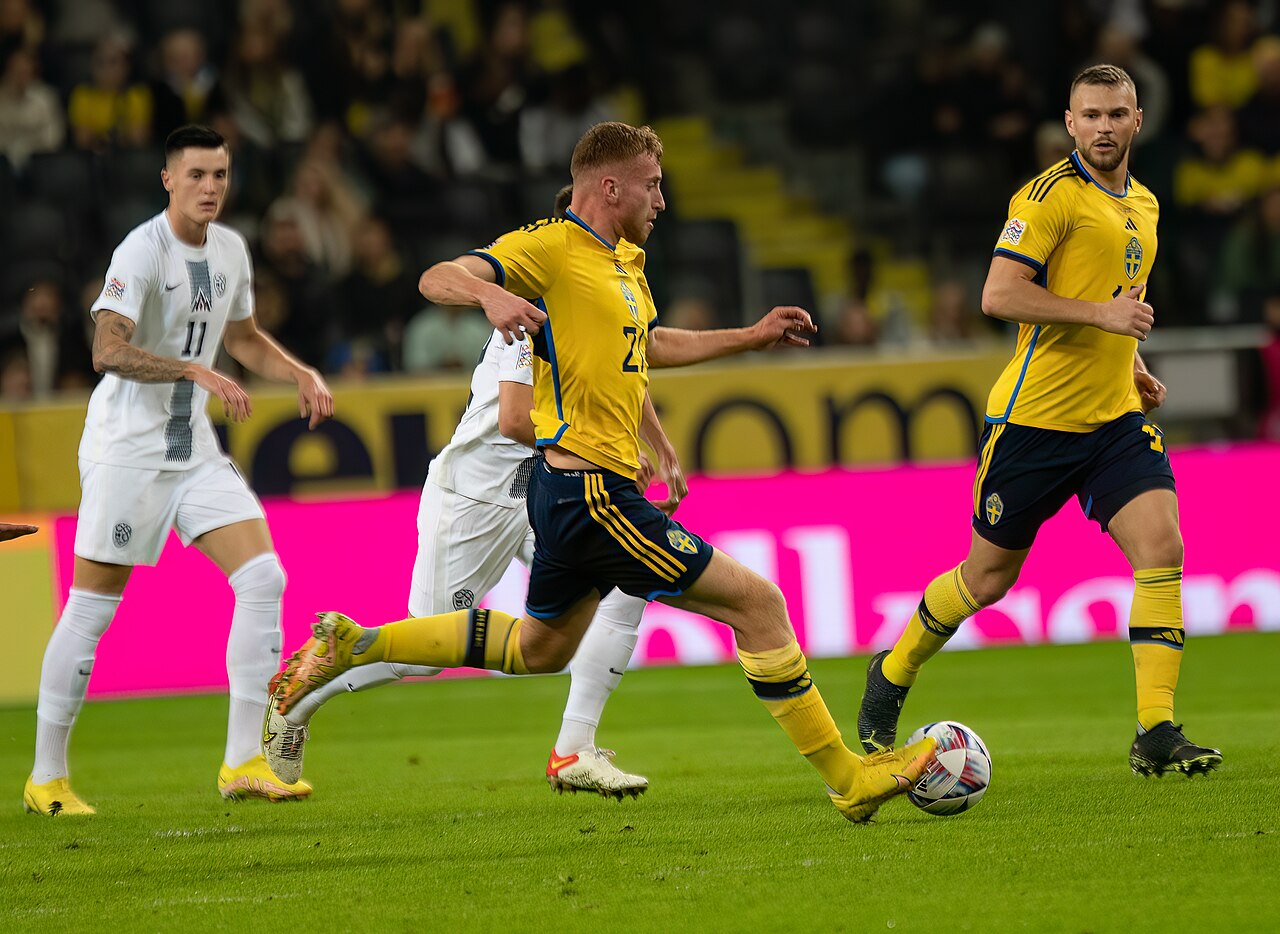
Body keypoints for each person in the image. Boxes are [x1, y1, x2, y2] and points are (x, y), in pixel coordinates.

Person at [271, 122, 937, 824]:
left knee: (540, 648)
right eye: (653, 184)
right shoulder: (550, 250)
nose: (664, 200)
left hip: (563, 495)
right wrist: (488, 295)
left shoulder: (625, 268)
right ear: (609, 186)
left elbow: (648, 347)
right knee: (760, 605)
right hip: (575, 492)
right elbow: (438, 277)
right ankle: (848, 780)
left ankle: (359, 642)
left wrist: (749, 335)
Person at [857, 65, 1222, 779]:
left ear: (1139, 119)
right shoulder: (1048, 197)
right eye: (1091, 115)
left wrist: (1130, 360)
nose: (1105, 127)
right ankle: (892, 671)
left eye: (1117, 113)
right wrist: (1102, 318)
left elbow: (1118, 300)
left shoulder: (1143, 204)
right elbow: (998, 293)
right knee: (987, 579)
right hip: (1035, 423)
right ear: (1069, 122)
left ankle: (1155, 728)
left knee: (1162, 548)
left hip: (1113, 421)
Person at [23, 125, 335, 817]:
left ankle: (243, 762)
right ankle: (46, 777)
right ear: (167, 179)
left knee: (263, 576)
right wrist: (190, 369)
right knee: (92, 610)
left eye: (220, 175)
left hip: (190, 447)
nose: (211, 187)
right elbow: (107, 348)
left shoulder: (230, 249)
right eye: (196, 174)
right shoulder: (140, 250)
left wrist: (298, 372)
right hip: (127, 448)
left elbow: (244, 337)